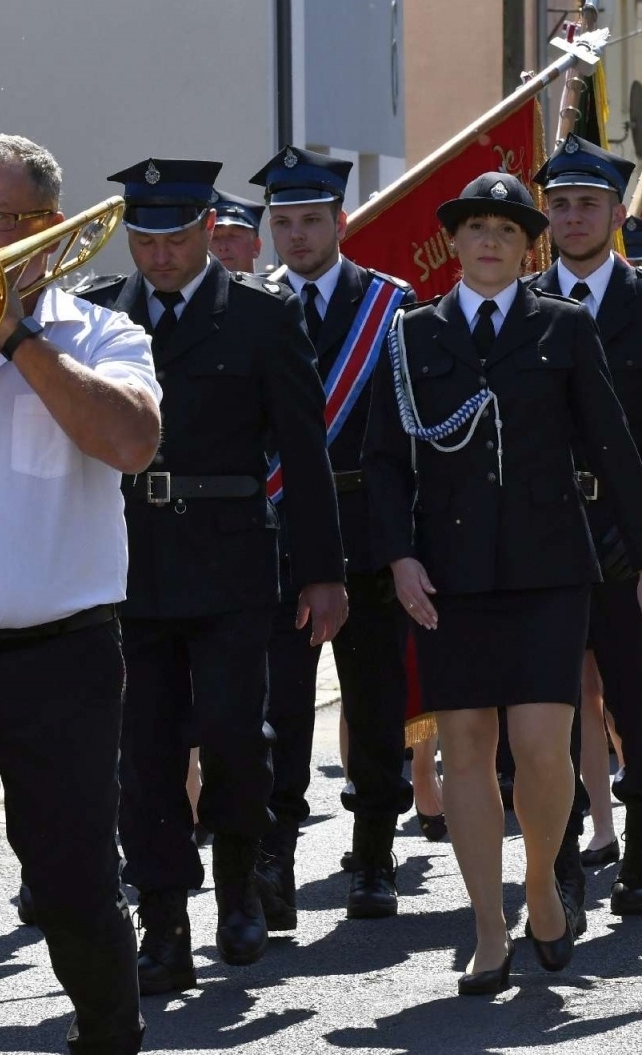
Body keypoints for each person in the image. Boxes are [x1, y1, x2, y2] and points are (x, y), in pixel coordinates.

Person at [363, 172, 642, 995]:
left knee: (541, 749)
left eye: (507, 230)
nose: (490, 242)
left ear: (524, 245)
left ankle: (540, 881)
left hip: (549, 571)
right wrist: (398, 557)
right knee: (465, 748)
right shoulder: (413, 335)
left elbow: (612, 446)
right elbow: (385, 465)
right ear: (454, 245)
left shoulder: (563, 328)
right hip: (450, 576)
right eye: (475, 229)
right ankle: (488, 927)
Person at [0, 133, 161, 1055]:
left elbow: (129, 443)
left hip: (61, 663)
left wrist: (15, 334)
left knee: (75, 889)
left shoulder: (106, 333)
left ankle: (106, 1037)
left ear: (49, 233)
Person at [78, 157, 347, 995]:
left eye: (176, 238)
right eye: (145, 239)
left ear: (206, 230)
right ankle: (163, 917)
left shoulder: (262, 318)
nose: (159, 257)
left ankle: (239, 891)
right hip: (125, 560)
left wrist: (322, 571)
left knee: (235, 735)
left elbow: (304, 454)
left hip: (232, 556)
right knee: (143, 749)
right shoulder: (96, 316)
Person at [531, 137, 642, 920]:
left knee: (636, 696)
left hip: (631, 531)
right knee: (549, 703)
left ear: (617, 212)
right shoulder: (523, 302)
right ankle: (561, 856)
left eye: (588, 204)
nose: (574, 218)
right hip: (543, 532)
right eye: (561, 205)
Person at [248, 145, 417, 930]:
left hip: (368, 530)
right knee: (276, 708)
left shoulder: (391, 306)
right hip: (278, 536)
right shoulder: (247, 305)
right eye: (284, 222)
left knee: (376, 704)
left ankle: (374, 855)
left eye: (312, 219)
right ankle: (273, 860)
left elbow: (409, 437)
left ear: (340, 221)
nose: (297, 235)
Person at [208, 190, 264, 273]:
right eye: (214, 238)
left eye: (232, 236)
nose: (223, 247)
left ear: (256, 246)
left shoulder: (279, 285)